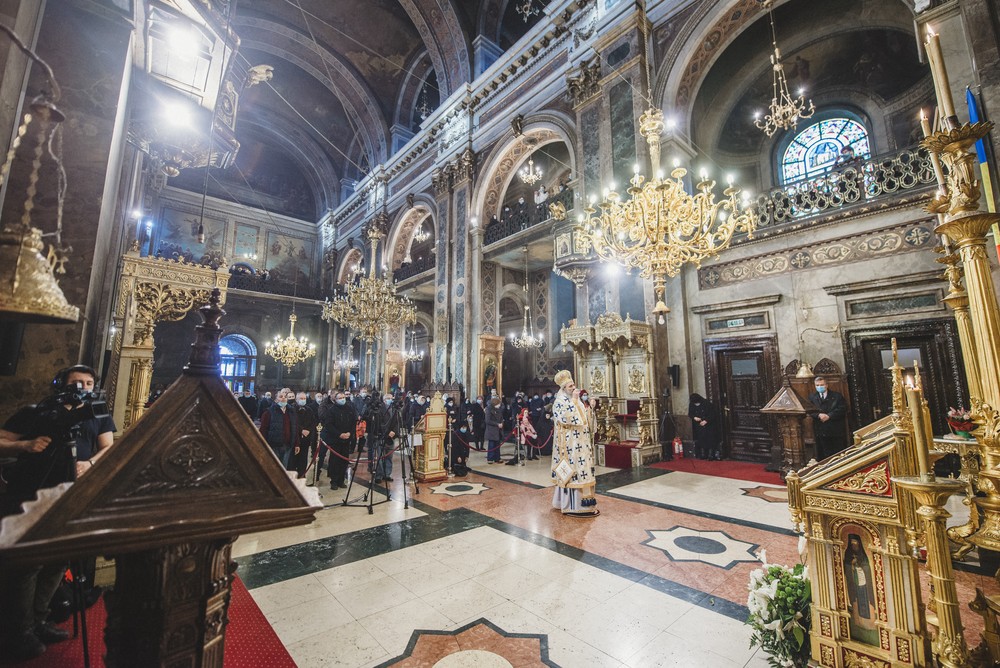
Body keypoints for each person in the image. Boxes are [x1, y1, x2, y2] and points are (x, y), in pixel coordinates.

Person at [0, 364, 115, 660]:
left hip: (72, 494)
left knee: (57, 558)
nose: (83, 388)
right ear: (60, 383)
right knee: (30, 563)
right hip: (33, 492)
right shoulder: (37, 411)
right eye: (77, 382)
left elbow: (108, 448)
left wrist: (89, 464)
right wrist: (25, 445)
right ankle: (20, 629)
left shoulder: (97, 413)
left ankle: (40, 619)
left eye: (89, 383)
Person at [550, 370, 598, 517]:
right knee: (572, 474)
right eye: (570, 386)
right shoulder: (560, 402)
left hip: (581, 444)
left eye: (573, 385)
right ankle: (572, 506)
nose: (573, 388)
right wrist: (576, 401)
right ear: (563, 388)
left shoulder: (575, 400)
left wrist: (590, 408)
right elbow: (569, 418)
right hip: (569, 446)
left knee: (583, 471)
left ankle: (584, 505)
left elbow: (585, 422)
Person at [320, 390, 358, 490]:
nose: (342, 399)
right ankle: (334, 481)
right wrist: (339, 434)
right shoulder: (332, 410)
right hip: (336, 439)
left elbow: (354, 423)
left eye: (343, 398)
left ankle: (341, 480)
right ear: (336, 400)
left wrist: (350, 433)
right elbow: (329, 425)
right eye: (340, 398)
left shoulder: (349, 409)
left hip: (346, 439)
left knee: (344, 461)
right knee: (335, 461)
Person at [808, 376, 848, 460]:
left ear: (826, 385)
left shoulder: (837, 396)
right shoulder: (812, 397)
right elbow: (809, 411)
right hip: (820, 430)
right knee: (823, 454)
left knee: (837, 453)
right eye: (817, 385)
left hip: (835, 429)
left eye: (821, 385)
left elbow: (842, 409)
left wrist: (829, 415)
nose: (819, 387)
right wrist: (818, 415)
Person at [259, 389, 298, 469]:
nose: (283, 398)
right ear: (276, 399)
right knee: (274, 468)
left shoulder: (291, 411)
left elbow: (295, 428)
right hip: (274, 445)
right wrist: (263, 445)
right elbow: (263, 430)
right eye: (281, 397)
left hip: (287, 445)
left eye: (285, 397)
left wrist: (297, 443)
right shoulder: (269, 412)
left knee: (284, 468)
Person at [371, 393, 401, 483]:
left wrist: (394, 432)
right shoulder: (380, 409)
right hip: (382, 435)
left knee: (389, 456)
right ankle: (379, 475)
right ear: (384, 400)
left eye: (391, 398)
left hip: (391, 436)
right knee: (380, 457)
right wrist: (387, 432)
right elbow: (379, 423)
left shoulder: (395, 409)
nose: (390, 400)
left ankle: (387, 474)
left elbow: (397, 422)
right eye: (388, 398)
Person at [688, 393, 721, 460]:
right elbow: (690, 413)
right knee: (701, 439)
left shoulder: (707, 403)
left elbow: (713, 414)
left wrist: (706, 421)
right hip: (699, 424)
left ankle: (711, 454)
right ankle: (703, 454)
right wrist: (694, 417)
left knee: (710, 439)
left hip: (709, 424)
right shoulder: (691, 404)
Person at [292, 392, 317, 478]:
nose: (303, 400)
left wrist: (308, 430)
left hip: (306, 438)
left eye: (304, 399)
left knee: (303, 458)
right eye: (301, 399)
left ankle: (302, 474)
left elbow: (313, 422)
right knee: (294, 458)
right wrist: (301, 430)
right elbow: (293, 422)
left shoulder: (309, 410)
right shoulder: (292, 409)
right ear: (296, 399)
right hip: (296, 438)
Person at [485, 396, 504, 464]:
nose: (499, 405)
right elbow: (487, 420)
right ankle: (490, 458)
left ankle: (497, 458)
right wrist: (497, 424)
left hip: (498, 430)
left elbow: (501, 418)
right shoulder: (489, 409)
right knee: (491, 445)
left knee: (497, 445)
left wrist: (501, 423)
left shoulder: (499, 409)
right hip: (492, 430)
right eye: (498, 404)